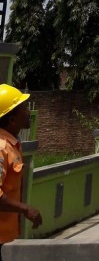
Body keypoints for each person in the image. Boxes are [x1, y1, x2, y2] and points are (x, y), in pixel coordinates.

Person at [0, 84, 42, 255]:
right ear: (11, 119)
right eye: (24, 109)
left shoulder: (12, 145)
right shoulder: (1, 148)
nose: (28, 112)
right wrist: (25, 209)